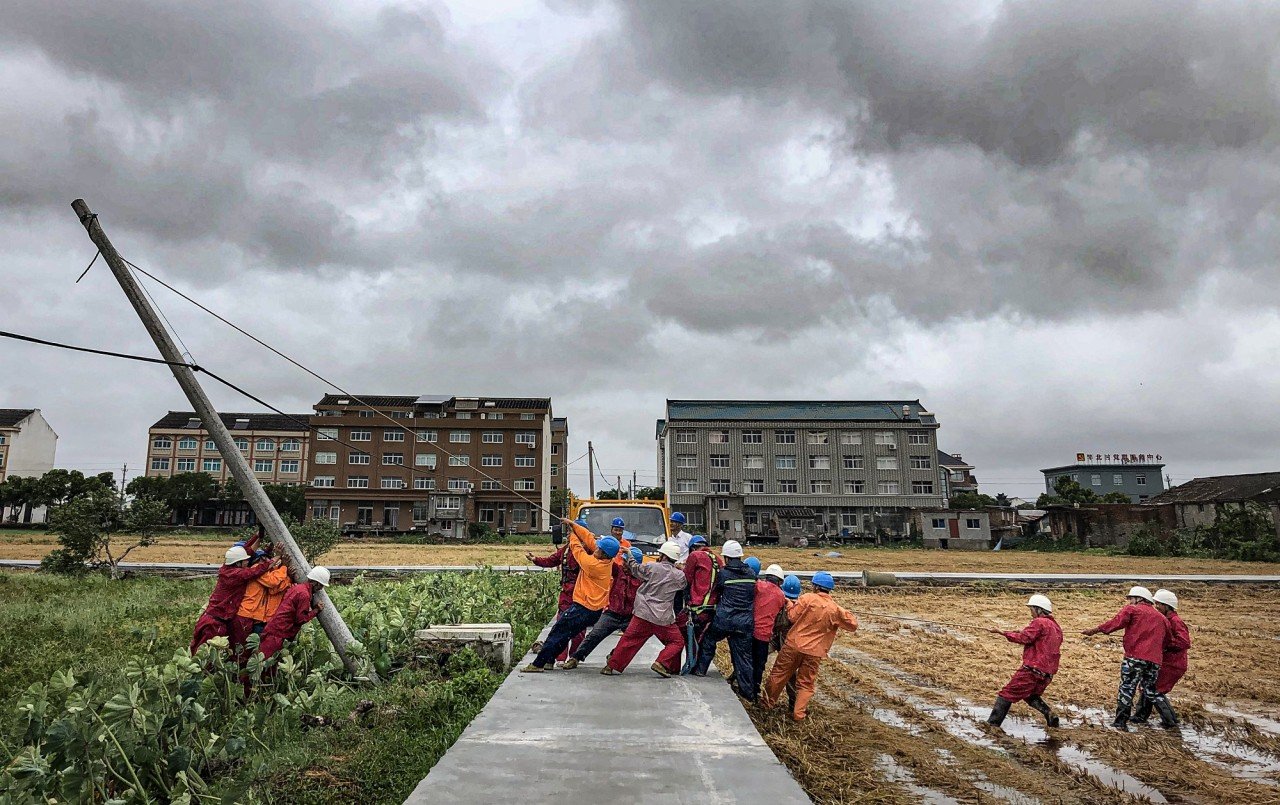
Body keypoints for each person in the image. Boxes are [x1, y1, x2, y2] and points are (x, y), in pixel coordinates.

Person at [521, 519, 619, 672]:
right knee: (565, 635)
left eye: (598, 548)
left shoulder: (592, 564)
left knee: (557, 632)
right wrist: (572, 524)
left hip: (583, 608)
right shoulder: (605, 558)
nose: (596, 548)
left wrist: (573, 535)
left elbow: (576, 548)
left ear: (603, 553)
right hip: (593, 610)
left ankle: (538, 664)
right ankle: (548, 660)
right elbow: (587, 537)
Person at [762, 572, 858, 721]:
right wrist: (843, 612)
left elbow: (791, 617)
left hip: (793, 646)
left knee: (779, 674)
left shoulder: (807, 598)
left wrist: (789, 604)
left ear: (815, 586)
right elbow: (853, 625)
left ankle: (766, 704)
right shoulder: (835, 609)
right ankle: (798, 714)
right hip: (814, 653)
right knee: (806, 684)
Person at [1083, 586, 1176, 730]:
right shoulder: (1162, 618)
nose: (1129, 602)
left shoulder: (1132, 610)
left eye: (1131, 599)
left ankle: (1120, 723)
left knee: (1127, 688)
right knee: (1150, 690)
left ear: (1139, 599)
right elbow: (1168, 640)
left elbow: (1115, 623)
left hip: (1134, 658)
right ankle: (1170, 721)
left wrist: (1094, 631)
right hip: (1155, 661)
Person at [602, 541, 689, 676]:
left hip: (643, 613)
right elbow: (684, 585)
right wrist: (680, 568)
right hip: (663, 618)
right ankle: (661, 663)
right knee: (677, 642)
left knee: (628, 640)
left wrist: (630, 555)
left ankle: (611, 667)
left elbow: (636, 569)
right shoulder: (679, 576)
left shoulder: (652, 567)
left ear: (663, 555)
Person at [190, 528, 280, 653]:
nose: (248, 562)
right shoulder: (236, 574)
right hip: (215, 622)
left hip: (211, 618)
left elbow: (246, 551)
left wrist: (258, 537)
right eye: (245, 561)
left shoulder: (227, 568)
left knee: (201, 649)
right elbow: (258, 570)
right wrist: (278, 557)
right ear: (238, 563)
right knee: (206, 654)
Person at [690, 540, 757, 701]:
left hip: (724, 619)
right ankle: (748, 694)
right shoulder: (751, 574)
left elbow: (716, 591)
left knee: (708, 641)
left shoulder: (724, 574)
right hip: (744, 622)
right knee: (743, 658)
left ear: (726, 557)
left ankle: (700, 670)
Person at [986, 594, 1063, 728]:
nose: (1031, 613)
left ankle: (992, 724)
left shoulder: (1039, 622)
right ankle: (1050, 715)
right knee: (1030, 695)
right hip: (1047, 674)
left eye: (1031, 609)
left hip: (1032, 670)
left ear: (1038, 609)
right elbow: (1036, 637)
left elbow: (1024, 638)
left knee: (1006, 693)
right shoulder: (1056, 627)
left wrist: (1002, 632)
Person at [562, 547, 644, 669]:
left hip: (631, 615)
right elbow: (607, 562)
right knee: (595, 635)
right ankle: (576, 657)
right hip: (612, 612)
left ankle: (614, 655)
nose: (624, 564)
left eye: (626, 562)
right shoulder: (618, 570)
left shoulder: (643, 577)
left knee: (632, 639)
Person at [1132, 589, 1190, 727]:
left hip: (1173, 664)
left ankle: (1170, 722)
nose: (1156, 607)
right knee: (1148, 687)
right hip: (1167, 662)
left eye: (1158, 604)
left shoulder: (1176, 622)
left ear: (1166, 606)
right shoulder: (1166, 620)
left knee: (1155, 690)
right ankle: (1140, 717)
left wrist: (1163, 643)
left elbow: (1184, 642)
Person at [526, 531, 585, 662]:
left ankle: (574, 657)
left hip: (582, 596)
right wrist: (536, 559)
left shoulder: (588, 552)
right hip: (566, 595)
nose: (571, 536)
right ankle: (559, 658)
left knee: (579, 631)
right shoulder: (565, 551)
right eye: (570, 533)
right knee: (561, 626)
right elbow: (551, 560)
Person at [231, 545, 293, 661]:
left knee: (250, 648)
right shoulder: (256, 569)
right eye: (263, 559)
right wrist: (284, 568)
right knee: (243, 648)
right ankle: (240, 672)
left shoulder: (265, 571)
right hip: (246, 614)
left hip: (254, 615)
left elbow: (275, 586)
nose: (267, 562)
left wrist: (285, 573)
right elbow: (273, 582)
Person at [259, 566, 330, 660]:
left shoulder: (298, 588)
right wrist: (316, 611)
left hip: (275, 628)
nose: (321, 589)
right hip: (279, 632)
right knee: (264, 663)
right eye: (321, 585)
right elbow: (300, 619)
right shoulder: (305, 595)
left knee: (265, 662)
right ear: (316, 583)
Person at [680, 535, 721, 674]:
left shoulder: (695, 556)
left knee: (678, 632)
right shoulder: (718, 559)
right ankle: (699, 668)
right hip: (712, 608)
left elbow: (686, 579)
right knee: (703, 639)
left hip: (696, 608)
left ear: (692, 548)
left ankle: (675, 665)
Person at [749, 564, 788, 701]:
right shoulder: (781, 596)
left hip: (749, 630)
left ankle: (741, 684)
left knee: (746, 660)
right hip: (764, 635)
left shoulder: (758, 586)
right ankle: (754, 692)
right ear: (780, 581)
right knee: (759, 665)